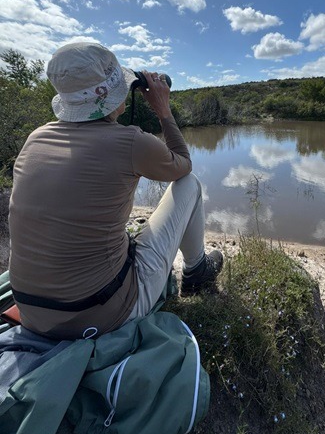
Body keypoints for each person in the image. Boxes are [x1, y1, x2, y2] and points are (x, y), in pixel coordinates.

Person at [8, 42, 223, 340]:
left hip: (32, 312)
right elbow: (183, 165)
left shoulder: (36, 138)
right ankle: (197, 271)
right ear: (113, 94)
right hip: (101, 315)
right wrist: (164, 111)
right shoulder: (131, 142)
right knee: (190, 184)